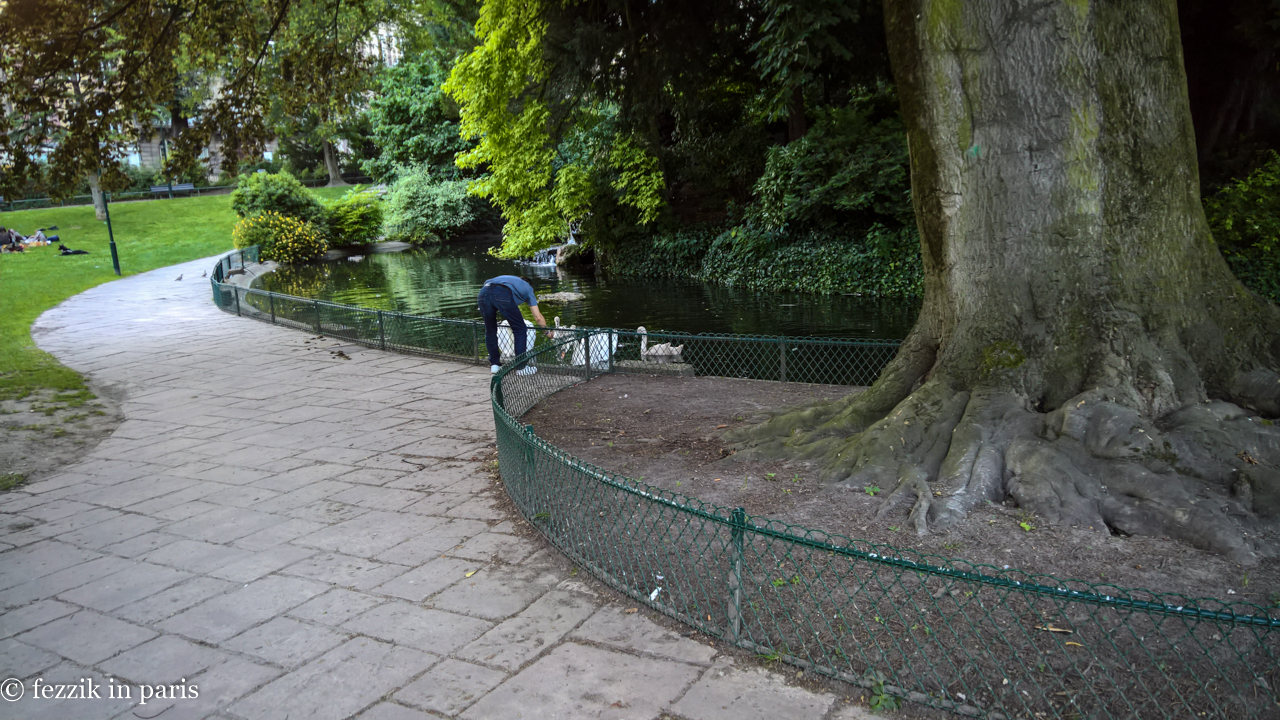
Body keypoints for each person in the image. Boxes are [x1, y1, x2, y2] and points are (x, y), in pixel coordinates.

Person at [478, 275, 549, 375]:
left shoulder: (509, 281)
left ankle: (495, 365)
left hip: (483, 293)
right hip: (502, 294)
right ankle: (521, 367)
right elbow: (538, 317)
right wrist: (547, 332)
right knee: (520, 329)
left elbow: (490, 289)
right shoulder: (528, 288)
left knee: (490, 330)